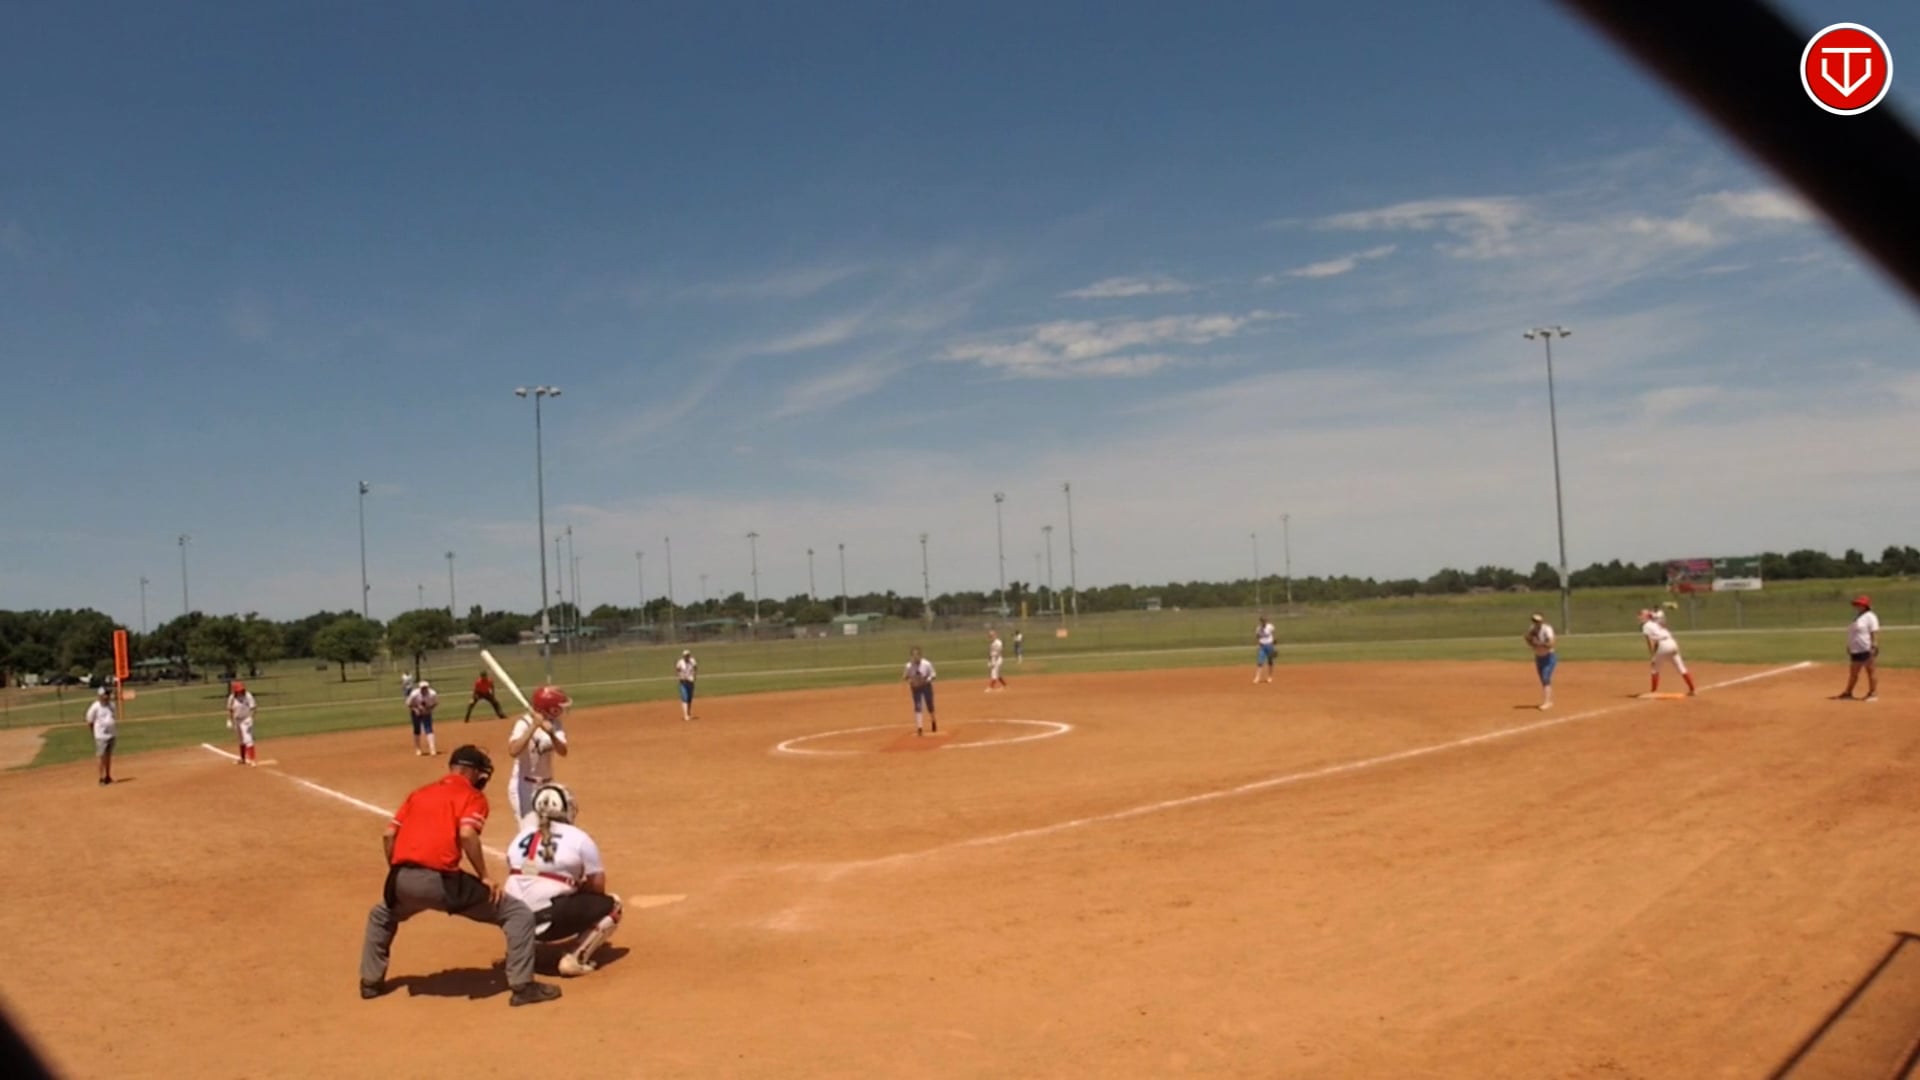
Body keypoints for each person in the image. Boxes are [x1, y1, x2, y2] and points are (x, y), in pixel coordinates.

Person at [357, 745, 561, 1008]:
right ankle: (523, 986)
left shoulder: (419, 794)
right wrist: (484, 876)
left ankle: (370, 983)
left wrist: (400, 875)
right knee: (517, 914)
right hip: (442, 883)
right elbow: (467, 834)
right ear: (471, 771)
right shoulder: (472, 796)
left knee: (381, 915)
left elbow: (388, 835)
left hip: (401, 880)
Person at [505, 783, 622, 978]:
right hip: (546, 919)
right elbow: (598, 886)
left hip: (510, 920)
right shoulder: (579, 838)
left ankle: (523, 951)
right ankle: (575, 959)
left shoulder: (521, 836)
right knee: (614, 905)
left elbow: (519, 872)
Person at [506, 685, 571, 825]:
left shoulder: (555, 724)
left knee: (551, 827)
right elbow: (513, 750)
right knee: (530, 828)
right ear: (548, 708)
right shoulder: (523, 723)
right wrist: (533, 726)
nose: (561, 711)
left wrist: (551, 733)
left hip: (547, 784)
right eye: (557, 707)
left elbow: (563, 751)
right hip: (524, 786)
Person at [1640, 609, 1696, 697]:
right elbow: (1663, 629)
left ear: (1647, 617)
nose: (1640, 616)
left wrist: (1653, 656)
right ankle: (1692, 690)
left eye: (1641, 615)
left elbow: (1649, 641)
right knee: (1681, 668)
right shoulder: (1656, 623)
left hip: (1663, 645)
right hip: (1672, 643)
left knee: (1654, 669)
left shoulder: (1646, 625)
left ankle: (1653, 691)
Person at [1835, 594, 1881, 701]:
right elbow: (1853, 633)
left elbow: (1874, 631)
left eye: (1860, 604)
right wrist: (1849, 645)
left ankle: (1873, 693)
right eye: (1857, 604)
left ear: (1865, 606)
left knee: (1870, 671)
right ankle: (1848, 693)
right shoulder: (1858, 617)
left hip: (1866, 648)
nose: (1857, 606)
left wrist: (1874, 645)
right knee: (1853, 673)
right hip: (1856, 649)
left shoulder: (1870, 616)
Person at [1524, 613, 1557, 710]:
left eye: (1537, 621)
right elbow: (1528, 639)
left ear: (1542, 621)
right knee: (1543, 679)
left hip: (1549, 657)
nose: (1536, 623)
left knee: (1545, 678)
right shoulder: (1532, 629)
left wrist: (1540, 643)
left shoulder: (1547, 629)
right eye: (1534, 621)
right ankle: (1549, 700)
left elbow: (1552, 643)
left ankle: (1547, 702)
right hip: (1538, 657)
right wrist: (1531, 642)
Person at [903, 646, 938, 736]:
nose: (915, 657)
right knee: (918, 706)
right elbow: (905, 677)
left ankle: (933, 721)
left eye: (917, 655)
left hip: (926, 686)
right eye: (913, 655)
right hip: (916, 688)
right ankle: (920, 728)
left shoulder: (926, 664)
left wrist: (927, 680)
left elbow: (933, 674)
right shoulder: (909, 666)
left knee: (930, 705)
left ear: (920, 655)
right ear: (911, 656)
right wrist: (911, 681)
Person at [85, 685, 116, 786]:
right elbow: (90, 721)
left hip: (111, 734)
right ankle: (101, 778)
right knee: (101, 756)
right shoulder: (95, 707)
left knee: (108, 756)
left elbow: (112, 716)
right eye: (106, 694)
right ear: (100, 695)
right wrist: (94, 733)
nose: (108, 696)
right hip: (100, 735)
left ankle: (108, 776)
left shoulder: (111, 705)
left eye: (109, 694)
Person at [226, 680, 259, 765]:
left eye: (241, 689)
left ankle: (252, 759)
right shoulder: (232, 698)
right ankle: (242, 759)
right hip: (237, 720)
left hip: (246, 720)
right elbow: (230, 709)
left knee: (248, 739)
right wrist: (229, 720)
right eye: (239, 690)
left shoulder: (248, 696)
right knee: (240, 740)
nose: (240, 691)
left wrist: (251, 718)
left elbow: (253, 708)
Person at [407, 678, 440, 756]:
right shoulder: (414, 694)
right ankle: (418, 749)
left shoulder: (432, 694)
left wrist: (429, 710)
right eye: (422, 688)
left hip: (427, 711)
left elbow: (435, 703)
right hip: (416, 712)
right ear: (420, 688)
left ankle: (432, 749)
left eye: (425, 687)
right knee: (417, 729)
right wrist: (416, 710)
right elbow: (409, 704)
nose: (424, 689)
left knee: (429, 729)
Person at [675, 650, 698, 720]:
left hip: (691, 682)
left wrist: (694, 676)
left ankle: (688, 713)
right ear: (683, 656)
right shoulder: (680, 662)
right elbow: (677, 670)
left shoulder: (692, 661)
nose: (687, 657)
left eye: (688, 655)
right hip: (683, 683)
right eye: (685, 655)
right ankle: (685, 715)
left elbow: (695, 668)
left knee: (689, 698)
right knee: (685, 697)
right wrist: (681, 677)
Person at [1254, 615, 1277, 684]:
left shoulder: (1270, 626)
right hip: (1262, 646)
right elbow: (1257, 637)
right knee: (1260, 662)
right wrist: (1258, 644)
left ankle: (1270, 677)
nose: (1263, 622)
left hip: (1269, 645)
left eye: (1264, 620)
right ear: (1261, 621)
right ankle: (1257, 677)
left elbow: (1273, 633)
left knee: (1270, 661)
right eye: (1262, 620)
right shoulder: (1258, 628)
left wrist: (1274, 642)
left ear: (1266, 621)